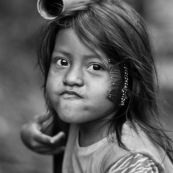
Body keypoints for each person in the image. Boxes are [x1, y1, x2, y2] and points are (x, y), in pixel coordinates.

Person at [21, 0, 173, 172]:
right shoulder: (80, 116)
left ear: (130, 85)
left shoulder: (130, 162)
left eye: (95, 67)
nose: (71, 78)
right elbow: (41, 127)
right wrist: (29, 134)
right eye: (63, 62)